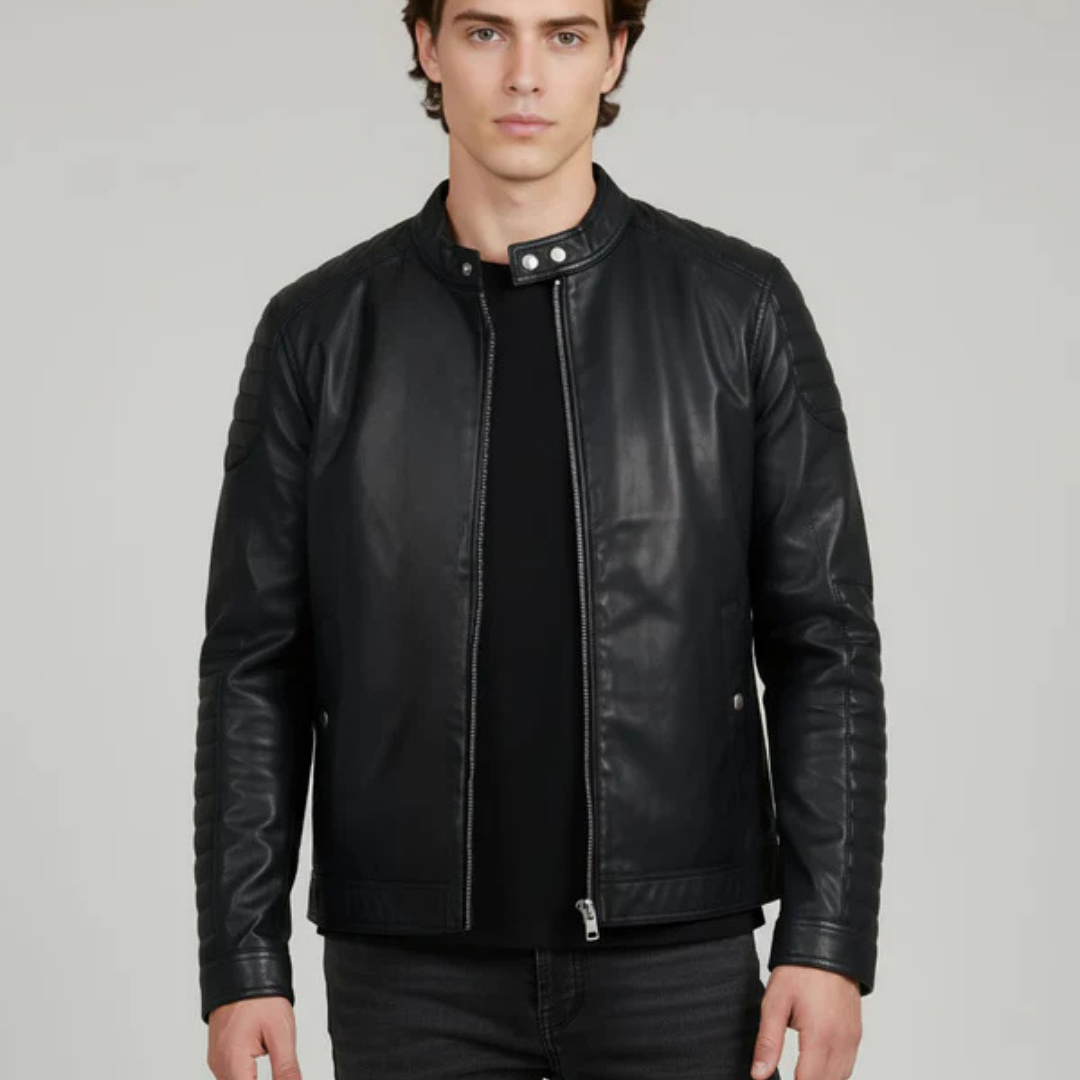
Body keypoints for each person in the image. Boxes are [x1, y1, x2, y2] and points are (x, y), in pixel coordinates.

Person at [193, 1, 887, 1078]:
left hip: (676, 962)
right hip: (411, 979)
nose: (525, 74)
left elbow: (825, 643)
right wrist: (245, 962)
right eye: (485, 31)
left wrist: (826, 936)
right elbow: (254, 667)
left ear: (615, 53)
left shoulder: (738, 308)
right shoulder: (318, 332)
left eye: (565, 34)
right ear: (426, 45)